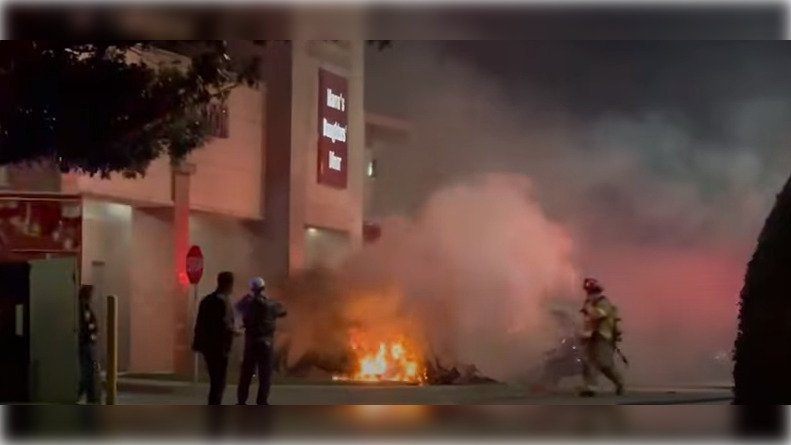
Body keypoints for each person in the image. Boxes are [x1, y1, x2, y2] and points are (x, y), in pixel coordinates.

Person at [237, 277, 287, 405]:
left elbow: (238, 307)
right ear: (263, 288)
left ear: (252, 289)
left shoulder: (248, 303)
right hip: (266, 343)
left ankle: (242, 400)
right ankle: (262, 401)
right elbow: (283, 311)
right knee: (265, 375)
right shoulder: (271, 304)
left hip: (251, 343)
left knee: (246, 374)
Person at [192, 271, 237, 405]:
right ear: (228, 284)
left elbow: (200, 323)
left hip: (209, 347)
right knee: (219, 382)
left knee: (216, 381)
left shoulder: (207, 300)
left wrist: (198, 343)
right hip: (219, 348)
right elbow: (222, 325)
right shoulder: (222, 301)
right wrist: (234, 331)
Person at [578, 277, 625, 397]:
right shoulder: (590, 303)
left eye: (592, 291)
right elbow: (587, 321)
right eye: (588, 291)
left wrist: (588, 308)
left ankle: (619, 383)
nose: (590, 294)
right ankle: (590, 387)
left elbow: (598, 315)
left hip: (603, 337)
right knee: (588, 362)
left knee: (604, 364)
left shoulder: (603, 302)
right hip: (590, 337)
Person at [77, 284, 100, 404]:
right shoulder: (83, 307)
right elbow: (87, 325)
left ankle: (83, 395)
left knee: (88, 371)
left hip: (87, 343)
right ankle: (89, 397)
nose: (93, 296)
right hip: (86, 344)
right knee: (89, 371)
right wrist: (92, 333)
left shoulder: (84, 307)